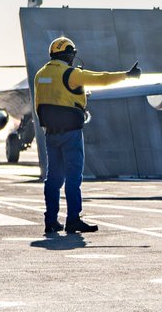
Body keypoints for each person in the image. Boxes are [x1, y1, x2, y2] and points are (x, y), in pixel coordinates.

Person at [33, 37, 141, 234]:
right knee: (73, 178)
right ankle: (73, 219)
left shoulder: (40, 74)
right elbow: (102, 78)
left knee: (54, 179)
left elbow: (43, 101)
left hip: (50, 134)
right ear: (68, 54)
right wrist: (127, 75)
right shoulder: (71, 73)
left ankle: (50, 221)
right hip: (71, 133)